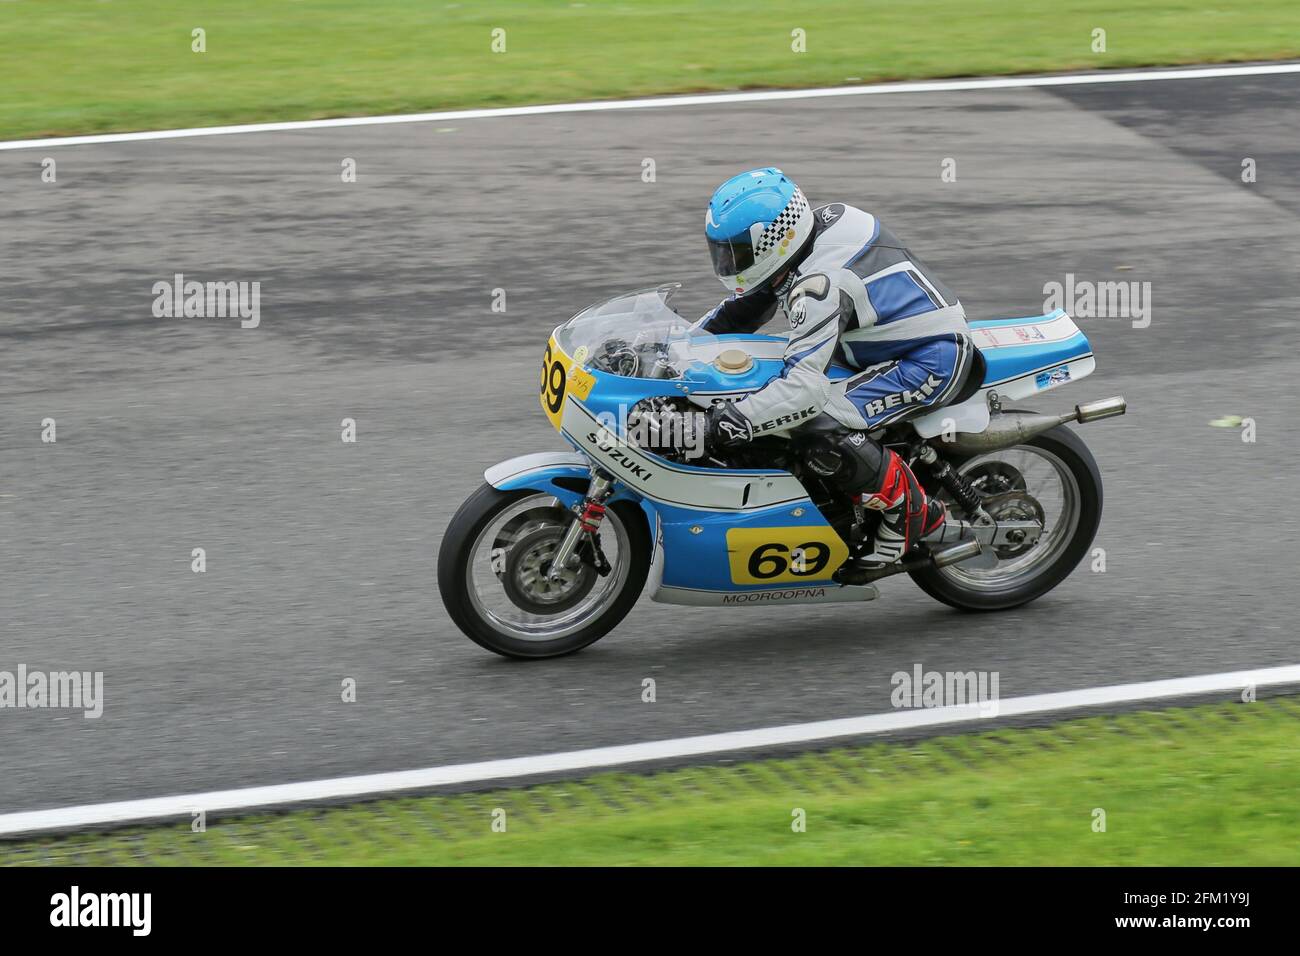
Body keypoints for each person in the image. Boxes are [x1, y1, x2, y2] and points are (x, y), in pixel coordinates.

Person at [696, 167, 974, 566]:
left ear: (773, 239)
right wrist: (676, 347)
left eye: (735, 251)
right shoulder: (815, 229)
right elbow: (745, 308)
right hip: (873, 346)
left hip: (928, 358)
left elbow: (804, 391)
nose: (725, 261)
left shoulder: (819, 286)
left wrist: (727, 420)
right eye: (720, 249)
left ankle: (908, 511)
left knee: (813, 420)